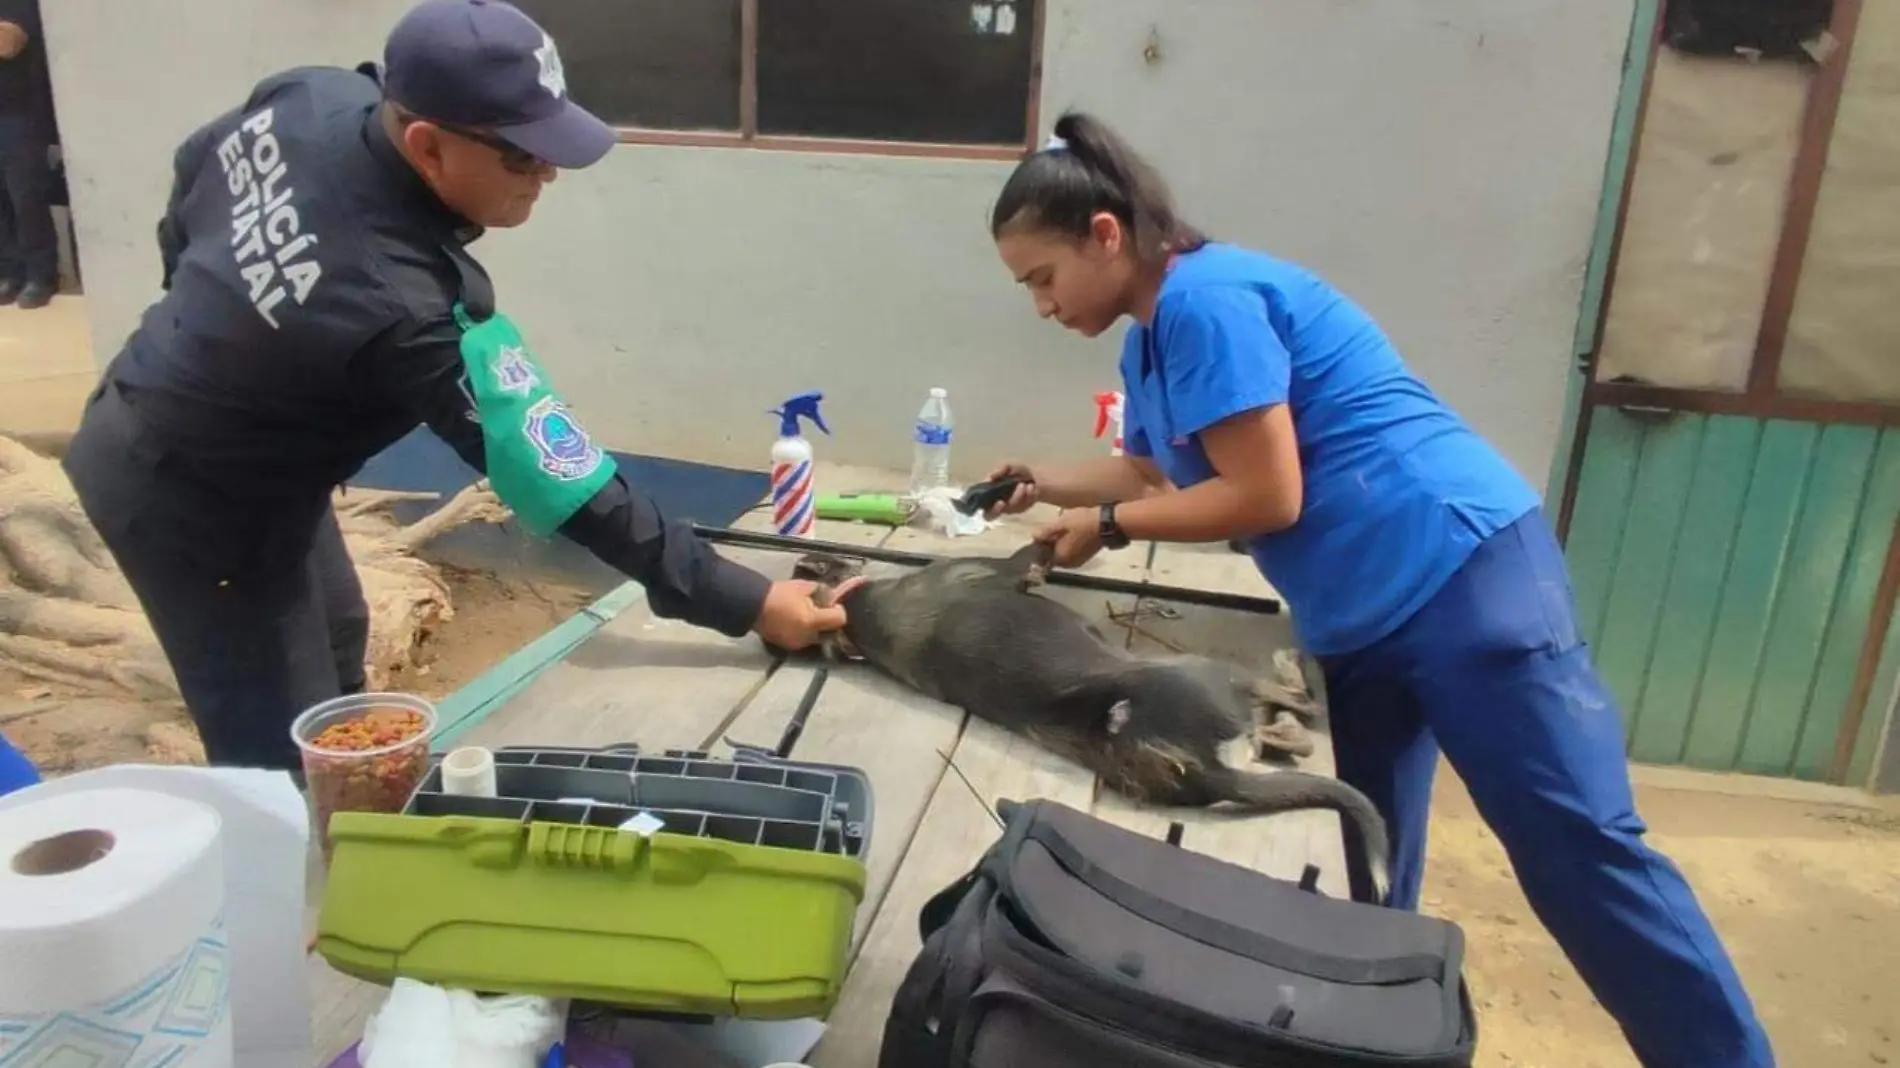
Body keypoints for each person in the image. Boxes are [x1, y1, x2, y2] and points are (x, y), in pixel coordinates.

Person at [980, 111, 1774, 1068]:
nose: (1041, 304)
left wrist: (1104, 532)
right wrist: (1049, 485)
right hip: (1362, 618)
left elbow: (1267, 495)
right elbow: (1157, 475)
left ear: (1104, 236)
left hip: (1461, 582)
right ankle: (1374, 1045)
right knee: (1369, 857)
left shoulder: (1208, 302)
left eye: (1042, 279)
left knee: (1581, 858)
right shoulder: (1148, 340)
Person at [60, 0, 856, 773]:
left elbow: (196, 167)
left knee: (340, 631)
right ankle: (306, 878)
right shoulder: (402, 305)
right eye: (521, 154)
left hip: (250, 459)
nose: (547, 171)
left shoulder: (312, 94)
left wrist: (202, 305)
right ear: (428, 144)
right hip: (187, 500)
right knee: (284, 749)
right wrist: (747, 601)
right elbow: (559, 476)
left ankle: (342, 821)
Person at [0, 0, 58, 309]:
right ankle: (10, 272)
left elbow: (9, 42)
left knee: (26, 196)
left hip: (17, 112)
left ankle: (42, 274)